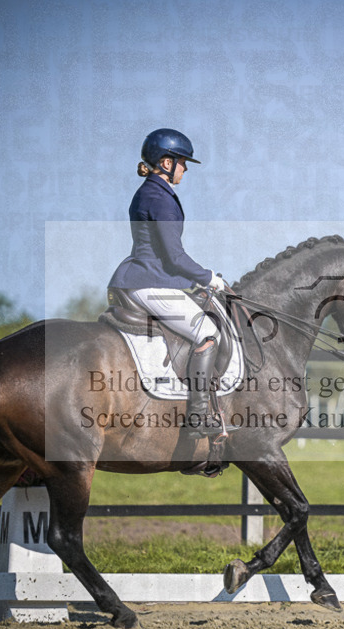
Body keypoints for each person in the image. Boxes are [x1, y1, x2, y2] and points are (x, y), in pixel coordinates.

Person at [108, 128, 227, 438]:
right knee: (207, 331)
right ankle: (198, 418)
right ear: (165, 162)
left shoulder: (151, 192)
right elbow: (174, 256)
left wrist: (190, 283)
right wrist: (208, 278)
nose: (185, 168)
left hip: (145, 277)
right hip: (148, 281)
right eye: (182, 162)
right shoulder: (159, 197)